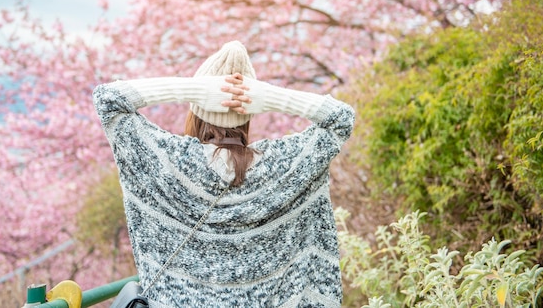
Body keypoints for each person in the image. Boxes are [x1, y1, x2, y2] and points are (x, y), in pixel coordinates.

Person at [92, 41, 355, 307]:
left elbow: (109, 99)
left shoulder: (166, 160)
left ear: (198, 107)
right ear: (250, 111)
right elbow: (341, 118)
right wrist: (271, 97)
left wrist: (193, 89)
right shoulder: (285, 165)